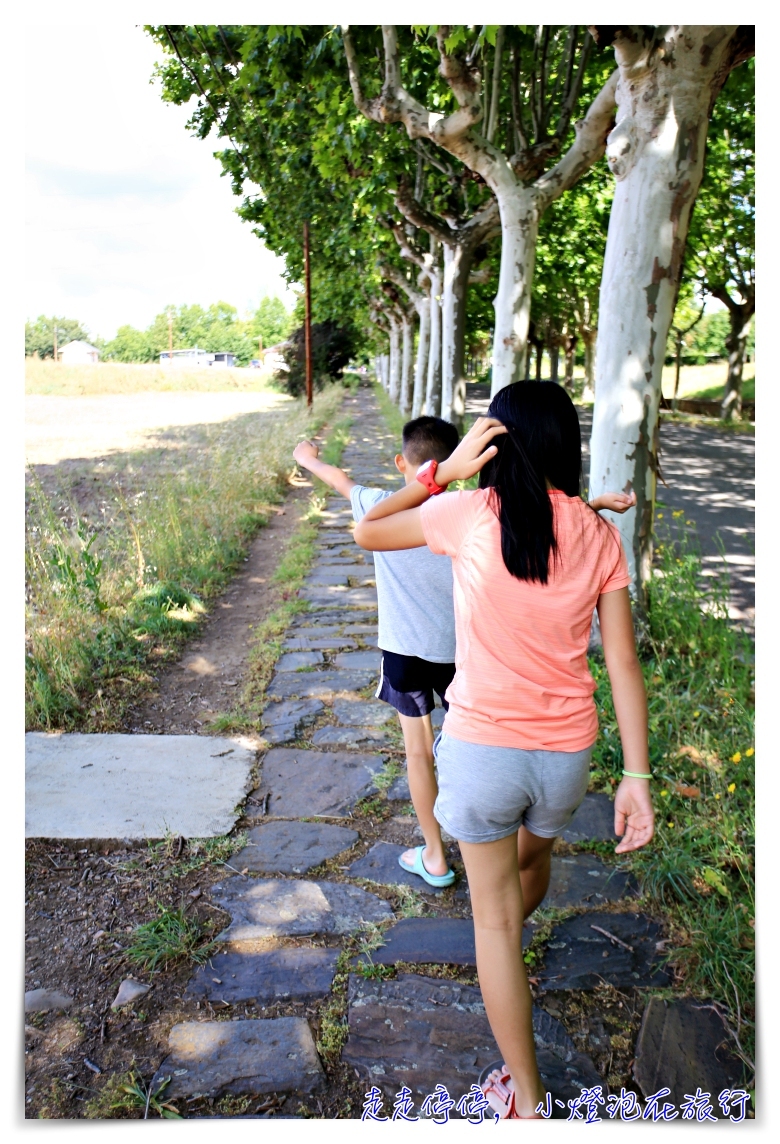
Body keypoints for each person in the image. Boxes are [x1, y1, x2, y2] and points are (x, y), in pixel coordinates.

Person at [352, 382, 654, 1119]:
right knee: (531, 865)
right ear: (565, 447)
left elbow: (368, 531)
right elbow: (621, 662)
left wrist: (442, 471)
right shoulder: (595, 532)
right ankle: (510, 967)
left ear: (497, 443)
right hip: (565, 761)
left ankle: (525, 1100)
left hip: (483, 752)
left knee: (492, 922)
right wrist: (637, 776)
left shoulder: (465, 512)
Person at [293, 417, 461, 887]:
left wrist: (306, 457)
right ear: (456, 467)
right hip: (461, 655)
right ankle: (477, 838)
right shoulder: (471, 510)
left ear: (400, 463)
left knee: (418, 751)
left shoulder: (379, 508)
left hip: (406, 652)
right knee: (466, 746)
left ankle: (435, 855)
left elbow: (339, 479)